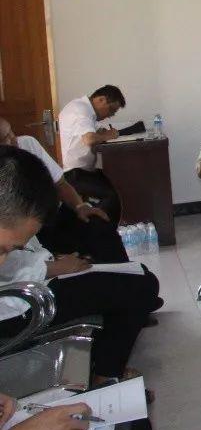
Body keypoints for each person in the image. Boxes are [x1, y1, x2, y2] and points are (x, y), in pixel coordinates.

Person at [0, 145, 163, 390]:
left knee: (136, 276)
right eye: (4, 249)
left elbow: (18, 257)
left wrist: (48, 260)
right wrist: (52, 267)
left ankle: (101, 366)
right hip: (22, 302)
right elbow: (13, 268)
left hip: (33, 281)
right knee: (140, 287)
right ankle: (105, 377)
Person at [0, 120, 125, 264]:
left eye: (11, 132)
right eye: (6, 138)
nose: (14, 139)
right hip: (28, 229)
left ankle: (127, 270)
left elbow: (60, 183)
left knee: (98, 226)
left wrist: (80, 206)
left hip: (55, 213)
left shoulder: (28, 144)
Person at [57, 85, 126, 221]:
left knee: (117, 183)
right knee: (113, 195)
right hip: (74, 174)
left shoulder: (83, 108)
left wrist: (100, 133)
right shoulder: (81, 110)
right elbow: (89, 139)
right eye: (111, 110)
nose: (110, 115)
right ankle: (101, 228)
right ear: (101, 99)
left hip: (83, 170)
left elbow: (88, 134)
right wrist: (109, 135)